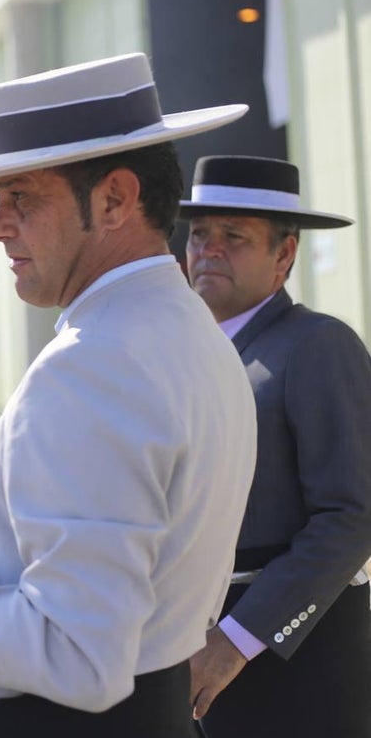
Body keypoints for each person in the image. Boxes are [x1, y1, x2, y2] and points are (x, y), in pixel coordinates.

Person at [0, 52, 258, 737]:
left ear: (116, 199)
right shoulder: (190, 335)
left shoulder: (93, 364)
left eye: (22, 197)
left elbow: (77, 652)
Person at [181, 155, 371, 737]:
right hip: (194, 660)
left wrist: (236, 643)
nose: (209, 249)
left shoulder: (316, 345)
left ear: (284, 255)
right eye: (198, 234)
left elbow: (351, 517)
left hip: (295, 669)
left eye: (234, 236)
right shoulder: (187, 357)